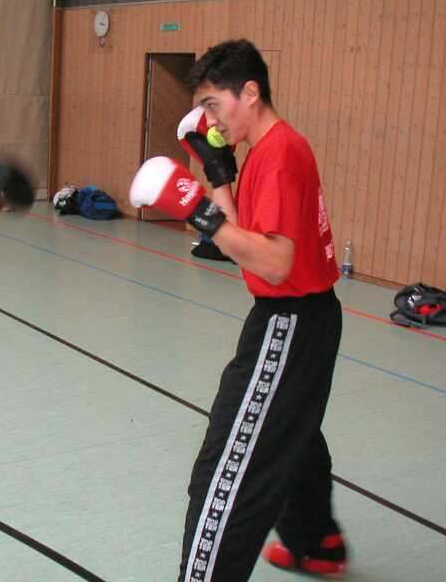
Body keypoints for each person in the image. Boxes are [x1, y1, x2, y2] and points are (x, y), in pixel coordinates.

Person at [129, 39, 347, 580]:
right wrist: (218, 175)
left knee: (226, 469)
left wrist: (199, 212)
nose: (210, 119)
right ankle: (316, 541)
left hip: (289, 319)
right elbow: (243, 240)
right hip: (307, 318)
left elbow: (273, 262)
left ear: (250, 93)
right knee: (291, 434)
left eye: (213, 105)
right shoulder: (266, 152)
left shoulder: (279, 156)